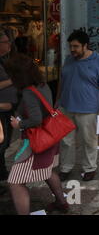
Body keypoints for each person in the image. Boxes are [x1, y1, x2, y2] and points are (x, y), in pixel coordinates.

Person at [5, 54, 69, 215]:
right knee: (48, 171)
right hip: (51, 139)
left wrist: (19, 124)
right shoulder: (42, 85)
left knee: (15, 182)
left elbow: (36, 119)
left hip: (37, 142)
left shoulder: (28, 92)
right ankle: (62, 203)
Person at [56, 30, 99, 182]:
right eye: (71, 46)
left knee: (89, 140)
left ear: (85, 45)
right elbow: (62, 81)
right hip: (66, 108)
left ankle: (89, 168)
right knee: (66, 141)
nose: (72, 50)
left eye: (76, 46)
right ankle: (65, 168)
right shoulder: (68, 59)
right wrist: (57, 102)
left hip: (89, 110)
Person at [0, 29, 18, 181]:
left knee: (5, 143)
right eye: (6, 42)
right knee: (1, 142)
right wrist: (14, 80)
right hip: (1, 109)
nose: (9, 44)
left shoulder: (5, 59)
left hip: (8, 109)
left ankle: (2, 171)